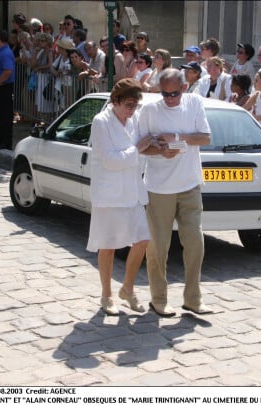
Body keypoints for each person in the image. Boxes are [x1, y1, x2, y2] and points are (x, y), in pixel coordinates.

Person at [138, 68, 212, 317]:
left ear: (183, 88)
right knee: (158, 247)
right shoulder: (149, 110)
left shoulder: (194, 102)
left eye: (174, 93)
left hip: (190, 184)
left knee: (195, 242)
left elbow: (205, 138)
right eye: (164, 93)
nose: (169, 98)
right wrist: (159, 150)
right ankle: (158, 299)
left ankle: (193, 298)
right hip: (159, 188)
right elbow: (140, 146)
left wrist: (178, 137)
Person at [86, 78, 154, 315]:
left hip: (133, 191)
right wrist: (137, 150)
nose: (131, 109)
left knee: (143, 240)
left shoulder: (136, 119)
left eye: (135, 105)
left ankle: (128, 288)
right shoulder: (101, 122)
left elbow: (144, 148)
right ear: (115, 101)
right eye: (128, 104)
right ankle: (106, 295)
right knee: (108, 245)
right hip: (109, 193)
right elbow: (109, 160)